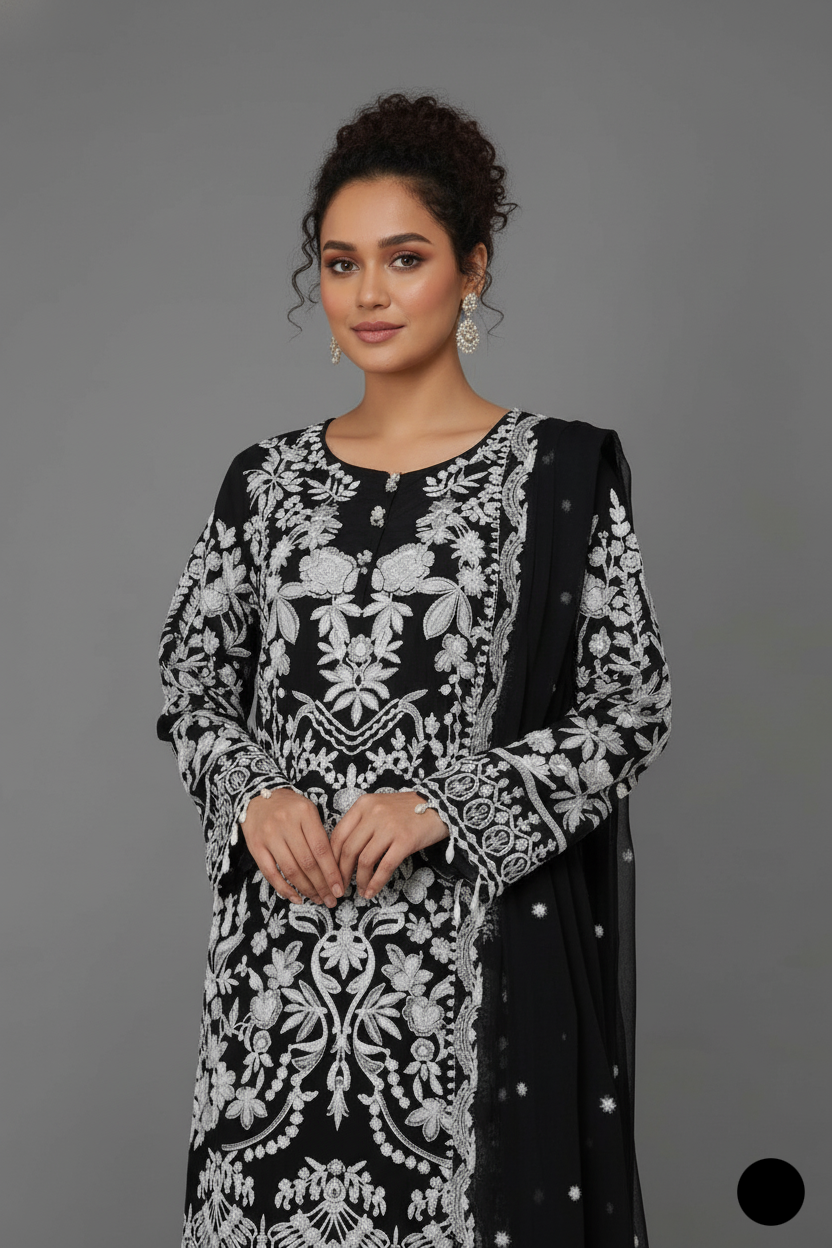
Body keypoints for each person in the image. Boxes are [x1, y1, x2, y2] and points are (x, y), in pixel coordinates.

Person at [157, 90, 671, 1248]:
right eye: (341, 263)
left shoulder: (556, 476)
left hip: (466, 984)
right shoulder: (263, 483)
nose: (368, 294)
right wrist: (253, 793)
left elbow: (630, 705)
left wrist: (447, 803)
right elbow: (193, 679)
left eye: (405, 258)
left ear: (471, 268)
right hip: (277, 1000)